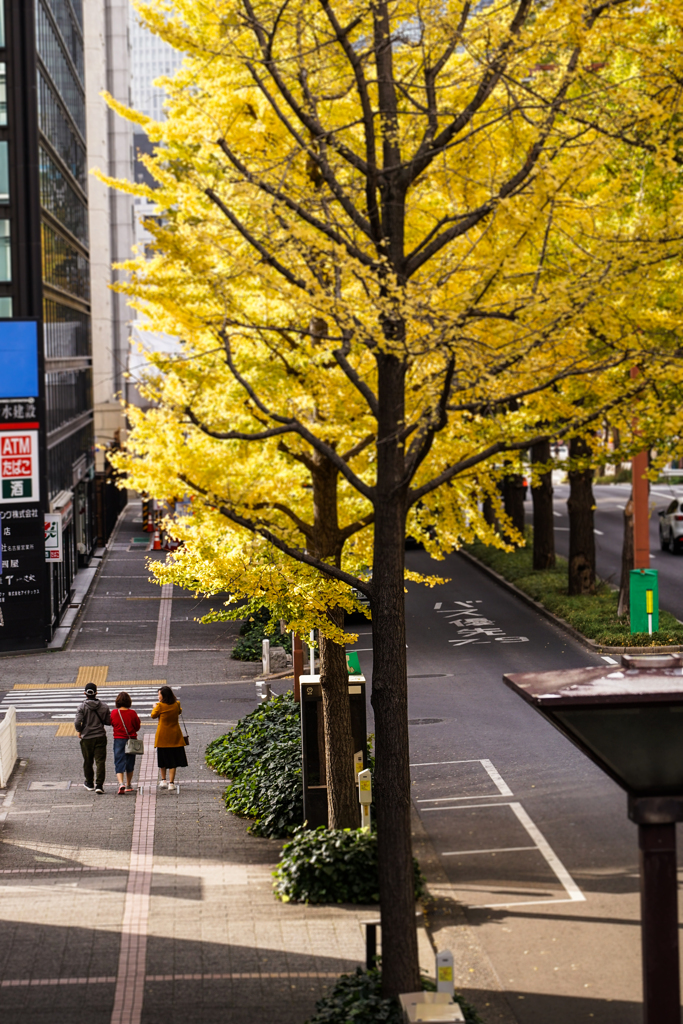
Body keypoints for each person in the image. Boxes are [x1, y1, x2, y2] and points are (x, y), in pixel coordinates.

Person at [74, 682, 111, 794]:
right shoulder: (104, 706)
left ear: (85, 693)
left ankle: (89, 782)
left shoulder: (82, 707)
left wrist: (79, 730)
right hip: (100, 736)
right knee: (100, 761)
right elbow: (108, 721)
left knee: (88, 761)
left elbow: (77, 722)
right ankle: (99, 785)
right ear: (96, 693)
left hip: (87, 738)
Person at [150, 685, 187, 789]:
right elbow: (179, 711)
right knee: (173, 760)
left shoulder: (160, 706)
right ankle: (171, 783)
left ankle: (163, 780)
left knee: (162, 759)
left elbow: (153, 715)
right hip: (175, 736)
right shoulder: (176, 704)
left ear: (164, 696)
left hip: (163, 736)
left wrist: (154, 706)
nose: (158, 696)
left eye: (159, 694)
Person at [111, 691, 141, 795]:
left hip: (119, 739)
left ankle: (120, 784)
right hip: (131, 740)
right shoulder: (132, 713)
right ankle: (128, 784)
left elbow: (112, 724)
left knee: (119, 760)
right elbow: (137, 727)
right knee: (130, 761)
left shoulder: (114, 712)